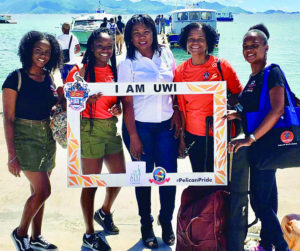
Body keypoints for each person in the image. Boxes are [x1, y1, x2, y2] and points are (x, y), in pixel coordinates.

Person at [118, 14, 181, 249]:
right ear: (129, 37)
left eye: (146, 32)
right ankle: (146, 224)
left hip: (166, 126)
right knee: (142, 179)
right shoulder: (127, 63)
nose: (141, 37)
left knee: (168, 177)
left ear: (154, 32)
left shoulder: (166, 54)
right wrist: (133, 135)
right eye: (136, 33)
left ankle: (166, 221)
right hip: (139, 128)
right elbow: (127, 102)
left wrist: (176, 110)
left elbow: (174, 88)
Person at [226, 24, 291, 251]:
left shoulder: (272, 72)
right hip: (262, 146)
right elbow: (252, 107)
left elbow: (277, 109)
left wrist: (250, 138)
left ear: (266, 47)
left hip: (266, 144)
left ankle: (282, 247)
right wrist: (234, 114)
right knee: (268, 198)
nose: (249, 49)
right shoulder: (254, 76)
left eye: (255, 45)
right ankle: (267, 244)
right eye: (245, 46)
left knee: (260, 202)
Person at [65, 28, 127, 251]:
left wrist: (118, 107)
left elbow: (117, 99)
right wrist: (84, 101)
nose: (105, 50)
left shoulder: (114, 71)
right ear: (92, 47)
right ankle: (89, 234)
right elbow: (66, 102)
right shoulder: (80, 71)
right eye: (101, 46)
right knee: (90, 183)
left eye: (109, 46)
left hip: (111, 129)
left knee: (120, 176)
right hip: (89, 129)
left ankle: (104, 212)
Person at [2, 31, 61, 251]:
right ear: (28, 51)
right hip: (25, 138)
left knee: (37, 192)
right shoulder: (14, 78)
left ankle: (36, 238)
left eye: (47, 52)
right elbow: (8, 119)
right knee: (44, 190)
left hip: (47, 137)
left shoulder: (49, 77)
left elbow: (52, 104)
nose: (43, 56)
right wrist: (11, 155)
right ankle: (20, 234)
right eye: (38, 51)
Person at [174, 22, 243, 172]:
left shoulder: (221, 66)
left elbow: (240, 95)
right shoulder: (179, 71)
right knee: (199, 178)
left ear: (208, 42)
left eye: (201, 39)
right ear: (185, 42)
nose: (195, 42)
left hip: (219, 132)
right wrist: (181, 139)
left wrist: (224, 107)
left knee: (221, 180)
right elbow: (180, 107)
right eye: (191, 38)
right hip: (192, 134)